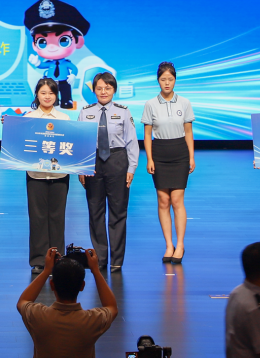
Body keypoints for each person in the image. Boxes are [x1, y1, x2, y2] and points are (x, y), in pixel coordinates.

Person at [77, 71, 138, 272]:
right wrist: (81, 168)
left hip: (117, 160)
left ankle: (116, 260)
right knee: (95, 211)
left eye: (108, 88)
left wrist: (131, 168)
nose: (103, 92)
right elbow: (80, 142)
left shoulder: (123, 112)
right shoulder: (85, 112)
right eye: (99, 88)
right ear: (94, 90)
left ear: (114, 90)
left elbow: (131, 142)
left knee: (118, 212)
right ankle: (100, 259)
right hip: (93, 162)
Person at [17, 246, 118, 358]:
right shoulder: (92, 320)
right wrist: (96, 271)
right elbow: (111, 307)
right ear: (82, 286)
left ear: (52, 285)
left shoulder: (37, 315)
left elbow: (23, 301)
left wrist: (46, 271)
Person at [142, 62, 195, 264]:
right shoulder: (150, 104)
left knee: (177, 200)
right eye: (163, 79)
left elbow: (188, 132)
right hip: (160, 152)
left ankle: (180, 245)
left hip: (180, 152)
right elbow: (147, 134)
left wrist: (191, 157)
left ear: (175, 80)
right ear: (158, 81)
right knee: (163, 200)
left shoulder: (184, 102)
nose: (167, 83)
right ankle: (169, 245)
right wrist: (149, 158)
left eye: (170, 79)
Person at [23, 77, 71, 274]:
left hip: (59, 175)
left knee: (57, 217)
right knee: (37, 217)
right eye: (43, 93)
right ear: (37, 95)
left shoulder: (64, 119)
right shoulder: (28, 118)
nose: (47, 96)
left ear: (56, 95)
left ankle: (57, 258)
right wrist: (9, 125)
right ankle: (39, 260)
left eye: (51, 93)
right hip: (35, 174)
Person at [24, 0, 90, 109]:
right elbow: (43, 65)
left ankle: (66, 101)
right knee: (51, 94)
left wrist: (73, 75)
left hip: (64, 81)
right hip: (51, 82)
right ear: (34, 45)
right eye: (42, 42)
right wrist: (37, 63)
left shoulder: (66, 63)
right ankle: (53, 102)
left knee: (65, 91)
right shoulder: (50, 63)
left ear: (78, 42)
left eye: (63, 40)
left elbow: (74, 68)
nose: (52, 47)